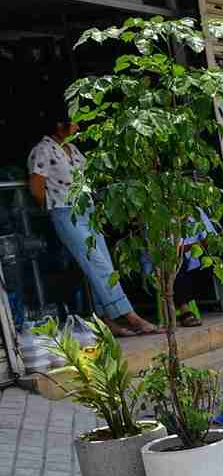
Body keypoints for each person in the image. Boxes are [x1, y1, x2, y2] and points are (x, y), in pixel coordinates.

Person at [27, 118, 157, 337]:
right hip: (65, 212)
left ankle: (107, 321)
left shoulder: (72, 148)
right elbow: (36, 188)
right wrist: (54, 209)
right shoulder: (42, 150)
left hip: (88, 211)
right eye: (74, 123)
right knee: (98, 264)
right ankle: (130, 316)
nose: (78, 127)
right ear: (59, 124)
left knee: (102, 264)